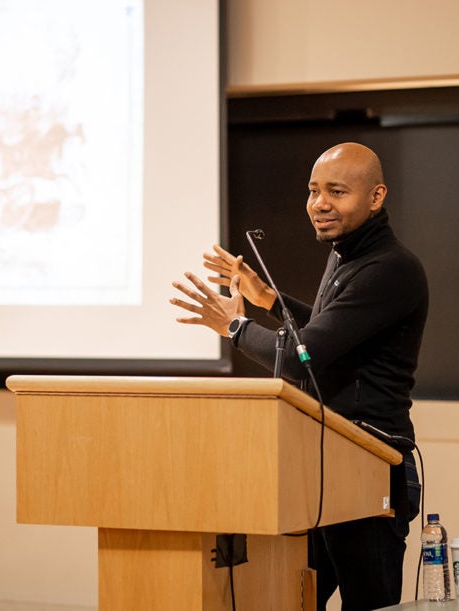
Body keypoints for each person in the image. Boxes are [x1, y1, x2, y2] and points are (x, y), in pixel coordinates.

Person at [170, 142, 428, 611]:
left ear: (376, 196)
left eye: (337, 191)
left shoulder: (390, 268)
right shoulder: (346, 255)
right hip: (328, 464)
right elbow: (330, 335)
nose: (320, 204)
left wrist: (235, 326)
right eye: (313, 191)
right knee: (292, 598)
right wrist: (267, 299)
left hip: (369, 466)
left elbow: (300, 356)